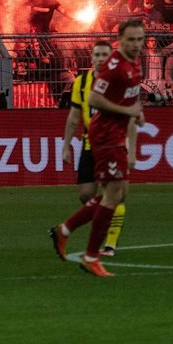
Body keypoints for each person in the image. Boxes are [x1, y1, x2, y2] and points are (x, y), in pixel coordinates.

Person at [50, 18, 146, 277]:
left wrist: (136, 113)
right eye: (131, 40)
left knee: (119, 193)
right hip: (104, 135)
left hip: (117, 135)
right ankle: (91, 256)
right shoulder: (114, 66)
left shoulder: (133, 63)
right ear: (120, 41)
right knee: (112, 195)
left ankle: (64, 230)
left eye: (140, 39)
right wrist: (128, 111)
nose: (136, 44)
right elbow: (94, 98)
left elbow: (128, 100)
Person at [63, 38, 127, 257]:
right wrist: (66, 146)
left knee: (114, 193)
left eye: (104, 55)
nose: (100, 59)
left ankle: (110, 244)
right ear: (91, 58)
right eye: (97, 55)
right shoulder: (81, 83)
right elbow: (74, 117)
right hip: (89, 145)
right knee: (85, 194)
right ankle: (105, 216)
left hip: (113, 144)